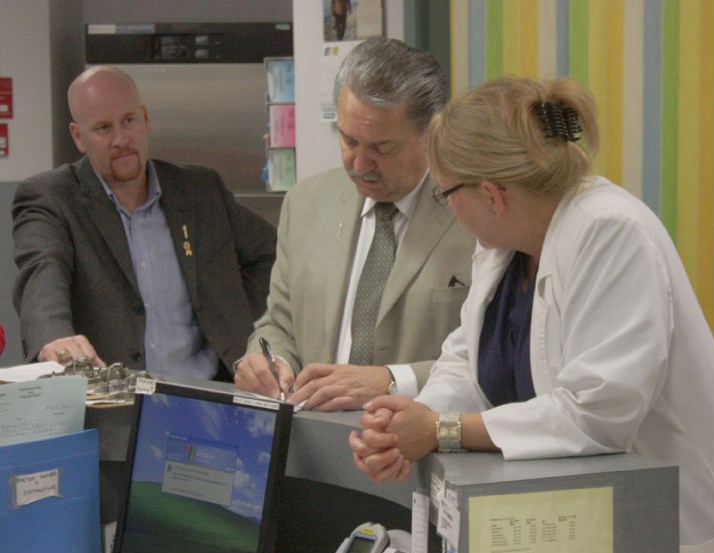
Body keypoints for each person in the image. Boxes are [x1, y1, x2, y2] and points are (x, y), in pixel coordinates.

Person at [350, 77, 714, 553]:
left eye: (445, 192)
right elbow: (467, 361)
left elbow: (596, 414)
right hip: (589, 527)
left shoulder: (610, 231)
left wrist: (442, 430)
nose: (446, 207)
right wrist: (404, 427)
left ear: (493, 195)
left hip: (685, 526)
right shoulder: (503, 246)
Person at [235, 39, 475, 410]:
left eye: (382, 148)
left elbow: (498, 361)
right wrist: (271, 363)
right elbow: (279, 325)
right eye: (348, 140)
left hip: (423, 454)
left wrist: (393, 381)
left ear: (431, 133)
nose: (359, 164)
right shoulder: (306, 204)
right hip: (309, 451)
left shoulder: (477, 216)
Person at [13, 66, 276, 381]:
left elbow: (272, 256)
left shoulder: (200, 191)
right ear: (78, 137)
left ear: (146, 119)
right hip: (113, 409)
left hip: (209, 399)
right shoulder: (52, 197)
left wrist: (229, 314)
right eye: (102, 128)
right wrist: (54, 339)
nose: (121, 139)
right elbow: (42, 274)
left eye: (128, 121)